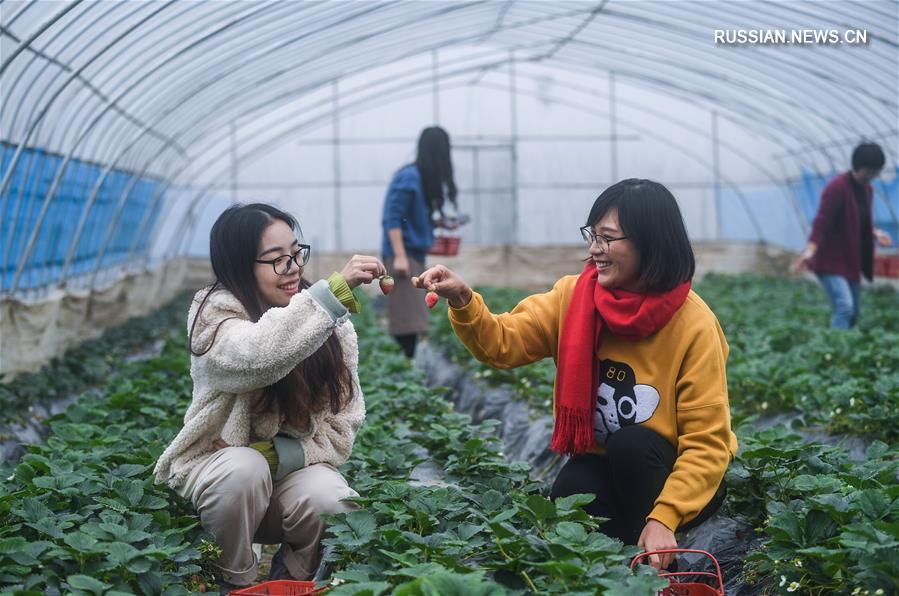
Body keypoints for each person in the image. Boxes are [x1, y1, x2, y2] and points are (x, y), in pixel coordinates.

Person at [413, 179, 738, 570]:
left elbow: (707, 443)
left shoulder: (694, 325)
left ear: (650, 243)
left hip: (673, 476)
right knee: (573, 488)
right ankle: (612, 573)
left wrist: (664, 517)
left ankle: (660, 568)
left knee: (632, 445)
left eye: (608, 238)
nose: (594, 249)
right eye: (592, 235)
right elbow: (504, 343)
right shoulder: (574, 297)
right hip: (608, 462)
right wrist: (464, 299)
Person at [153, 203, 385, 591]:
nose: (293, 268)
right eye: (277, 259)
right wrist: (329, 297)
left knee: (333, 500)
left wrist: (278, 455)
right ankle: (236, 581)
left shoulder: (329, 323)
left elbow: (345, 423)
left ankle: (292, 581)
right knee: (244, 469)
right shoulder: (214, 315)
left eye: (296, 253)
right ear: (240, 265)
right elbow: (258, 356)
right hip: (218, 481)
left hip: (287, 485)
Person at [794, 142, 893, 328]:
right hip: (829, 261)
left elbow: (862, 220)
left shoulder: (867, 190)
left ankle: (845, 340)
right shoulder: (836, 188)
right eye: (869, 171)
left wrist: (876, 233)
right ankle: (836, 343)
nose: (872, 176)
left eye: (875, 172)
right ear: (857, 167)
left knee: (854, 313)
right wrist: (810, 250)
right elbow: (821, 222)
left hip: (850, 260)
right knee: (844, 307)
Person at [381, 126, 458, 358]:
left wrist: (437, 224)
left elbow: (410, 217)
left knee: (413, 317)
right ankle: (403, 364)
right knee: (407, 320)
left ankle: (408, 362)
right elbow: (392, 218)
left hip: (412, 255)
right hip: (402, 256)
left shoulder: (420, 178)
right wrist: (400, 256)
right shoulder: (409, 177)